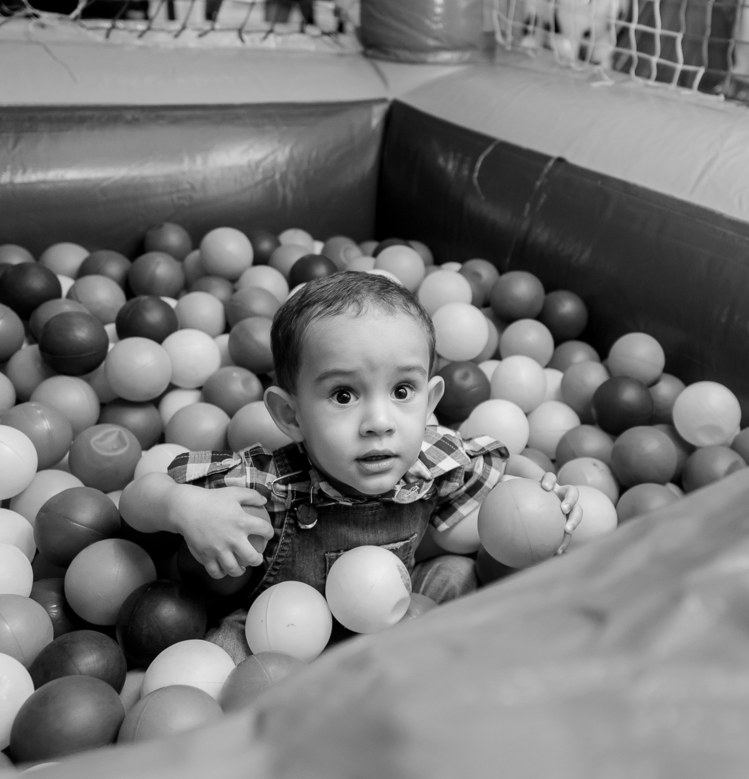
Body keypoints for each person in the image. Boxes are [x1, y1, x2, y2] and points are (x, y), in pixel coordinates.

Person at [120, 271, 581, 661]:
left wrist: (544, 500)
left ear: (430, 402)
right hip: (276, 634)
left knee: (458, 575)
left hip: (398, 616)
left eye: (402, 391)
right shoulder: (267, 483)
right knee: (221, 657)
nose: (379, 422)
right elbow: (137, 499)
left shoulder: (433, 461)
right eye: (343, 395)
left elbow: (498, 486)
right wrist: (183, 506)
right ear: (290, 416)